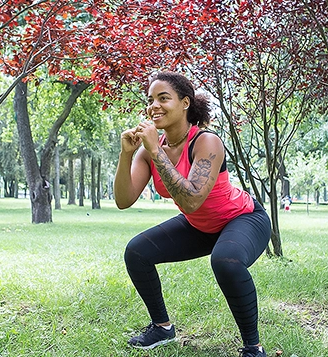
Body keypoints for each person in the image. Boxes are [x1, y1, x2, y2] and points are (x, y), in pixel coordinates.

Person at [114, 71, 271, 357]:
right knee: (137, 252)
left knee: (226, 261)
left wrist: (154, 150)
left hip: (242, 218)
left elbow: (190, 201)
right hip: (200, 225)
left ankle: (253, 347)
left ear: (185, 103)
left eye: (164, 98)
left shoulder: (206, 141)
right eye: (151, 100)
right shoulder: (151, 150)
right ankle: (161, 328)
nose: (154, 106)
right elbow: (124, 200)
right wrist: (127, 154)